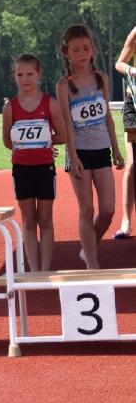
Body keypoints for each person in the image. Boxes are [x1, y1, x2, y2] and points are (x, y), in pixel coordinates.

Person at [56, 25, 124, 269]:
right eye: (76, 50)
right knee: (86, 208)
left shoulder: (101, 78)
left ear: (93, 50)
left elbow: (107, 117)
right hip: (79, 152)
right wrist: (73, 156)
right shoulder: (64, 85)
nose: (82, 54)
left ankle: (88, 249)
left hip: (101, 149)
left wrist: (116, 149)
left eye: (86, 48)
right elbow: (66, 123)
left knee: (107, 210)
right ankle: (92, 264)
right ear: (67, 54)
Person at [2, 54, 65, 271]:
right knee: (28, 221)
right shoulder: (10, 108)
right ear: (14, 76)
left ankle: (45, 270)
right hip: (21, 169)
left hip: (45, 169)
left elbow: (62, 135)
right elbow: (7, 141)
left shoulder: (51, 104)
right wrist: (29, 145)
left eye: (30, 74)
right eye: (20, 74)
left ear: (39, 75)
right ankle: (34, 269)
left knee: (45, 220)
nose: (25, 79)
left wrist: (45, 142)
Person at [113, 26, 136, 238]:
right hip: (133, 105)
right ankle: (126, 221)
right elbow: (119, 63)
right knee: (132, 163)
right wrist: (131, 70)